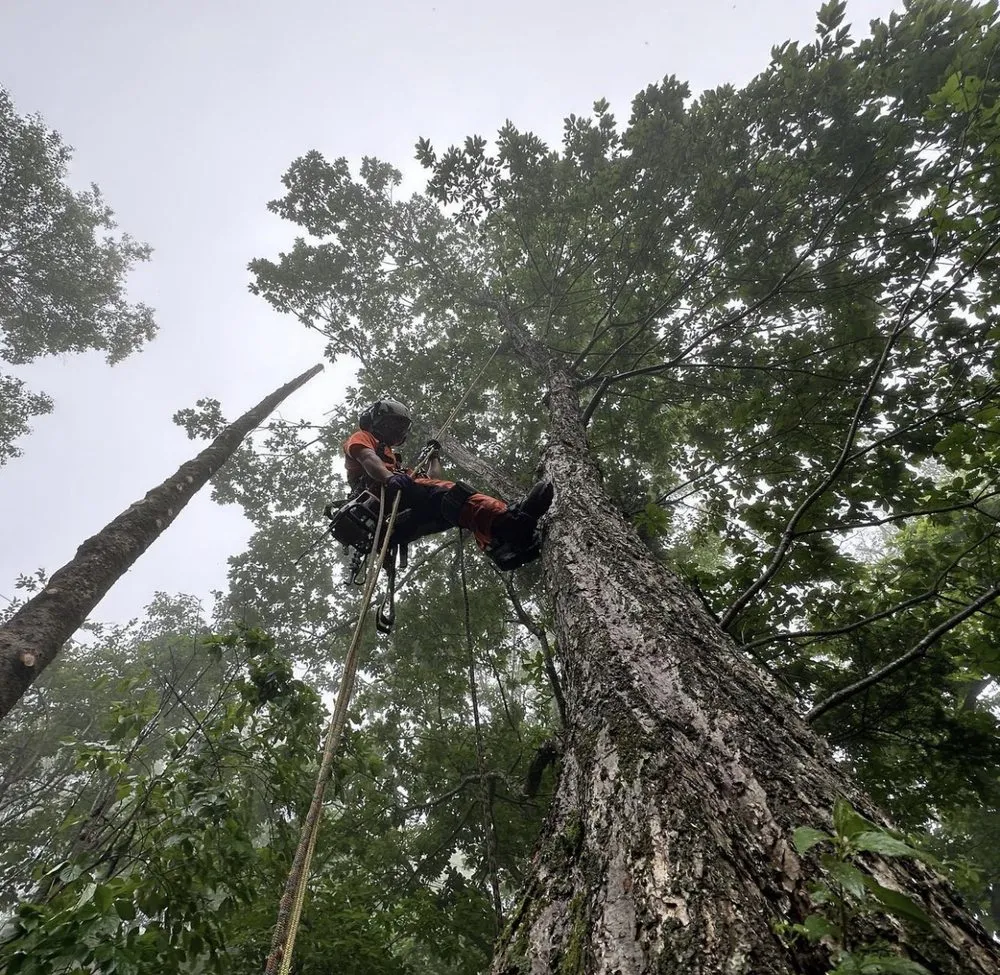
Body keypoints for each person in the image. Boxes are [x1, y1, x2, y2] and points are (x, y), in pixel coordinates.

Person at [343, 398, 552, 560]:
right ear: (378, 421)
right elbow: (367, 457)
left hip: (401, 515)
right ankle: (509, 521)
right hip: (380, 501)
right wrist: (389, 478)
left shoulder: (397, 469)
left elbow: (432, 479)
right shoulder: (364, 437)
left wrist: (433, 457)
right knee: (452, 496)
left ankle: (500, 544)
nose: (396, 431)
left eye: (400, 428)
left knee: (452, 509)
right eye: (392, 425)